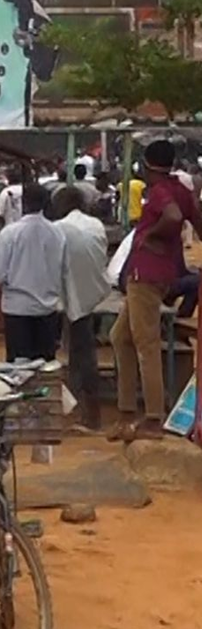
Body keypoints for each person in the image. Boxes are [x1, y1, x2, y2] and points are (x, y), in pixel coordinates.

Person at [112, 139, 201, 442]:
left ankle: (152, 418)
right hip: (163, 274)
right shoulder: (181, 189)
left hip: (144, 274)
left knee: (146, 345)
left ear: (147, 165)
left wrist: (151, 233)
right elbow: (195, 218)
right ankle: (125, 413)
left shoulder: (161, 191)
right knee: (120, 337)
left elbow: (174, 217)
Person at [51, 185, 109, 431]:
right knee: (80, 351)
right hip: (96, 293)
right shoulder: (96, 225)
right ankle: (80, 408)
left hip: (67, 296)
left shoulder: (57, 230)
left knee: (80, 355)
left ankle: (88, 414)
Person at [0, 182, 66, 362]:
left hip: (17, 310)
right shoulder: (57, 233)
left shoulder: (9, 233)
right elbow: (62, 269)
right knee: (46, 368)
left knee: (19, 370)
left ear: (23, 202)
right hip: (47, 310)